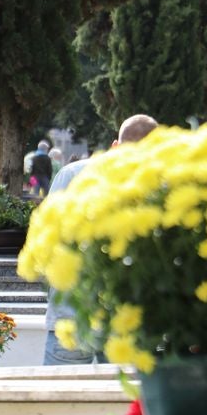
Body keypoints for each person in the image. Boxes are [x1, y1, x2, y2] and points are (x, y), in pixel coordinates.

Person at [42, 114, 159, 366]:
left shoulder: (72, 174)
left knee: (57, 401)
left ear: (115, 145)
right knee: (123, 402)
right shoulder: (156, 186)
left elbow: (47, 240)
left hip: (71, 316)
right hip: (126, 320)